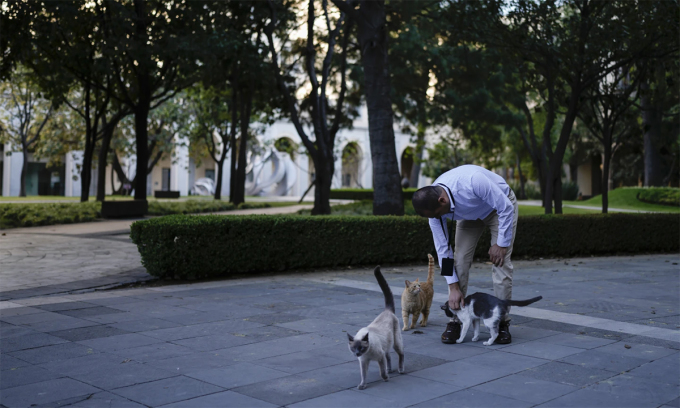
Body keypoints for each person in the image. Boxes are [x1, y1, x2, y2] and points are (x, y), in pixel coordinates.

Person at [411, 164, 518, 344]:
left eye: (437, 215)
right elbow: (443, 250)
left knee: (501, 263)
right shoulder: (434, 211)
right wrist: (452, 287)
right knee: (459, 261)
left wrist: (501, 244)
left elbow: (506, 208)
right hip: (469, 215)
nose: (437, 219)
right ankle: (456, 319)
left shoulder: (473, 181)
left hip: (499, 208)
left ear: (442, 201)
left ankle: (501, 323)